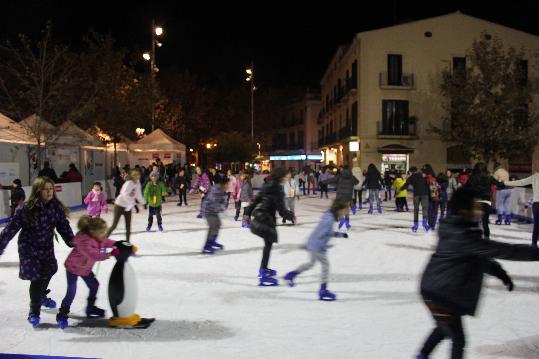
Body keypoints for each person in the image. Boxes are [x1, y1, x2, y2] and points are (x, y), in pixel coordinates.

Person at [415, 187, 539, 359]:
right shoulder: (462, 234)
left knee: (445, 328)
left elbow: (479, 258)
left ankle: (421, 356)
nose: (479, 211)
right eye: (476, 206)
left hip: (438, 290)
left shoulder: (459, 230)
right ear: (464, 210)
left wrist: (501, 274)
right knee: (458, 339)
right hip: (441, 294)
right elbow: (503, 250)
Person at [0, 177, 74, 327]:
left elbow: (63, 226)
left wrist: (73, 241)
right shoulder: (26, 209)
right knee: (37, 278)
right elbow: (10, 229)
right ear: (38, 191)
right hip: (29, 247)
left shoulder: (56, 208)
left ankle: (40, 295)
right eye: (46, 189)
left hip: (46, 246)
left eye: (51, 188)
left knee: (51, 270)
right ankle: (34, 310)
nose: (49, 191)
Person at [55, 216, 118, 329]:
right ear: (93, 231)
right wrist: (110, 254)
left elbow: (107, 241)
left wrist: (119, 244)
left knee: (94, 285)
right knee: (71, 291)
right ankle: (62, 314)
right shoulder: (84, 241)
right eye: (102, 232)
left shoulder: (98, 237)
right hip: (73, 268)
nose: (104, 234)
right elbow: (93, 254)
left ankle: (90, 308)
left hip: (85, 269)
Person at [283, 199, 349, 301]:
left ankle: (290, 275)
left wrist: (340, 234)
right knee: (325, 266)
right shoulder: (329, 220)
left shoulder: (329, 217)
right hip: (317, 246)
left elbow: (325, 232)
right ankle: (323, 291)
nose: (345, 213)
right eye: (344, 210)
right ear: (339, 209)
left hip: (314, 244)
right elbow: (320, 234)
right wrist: (320, 246)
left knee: (311, 264)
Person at [249, 168, 295, 286]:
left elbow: (257, 199)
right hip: (266, 219)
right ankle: (263, 271)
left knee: (268, 244)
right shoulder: (278, 189)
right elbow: (281, 210)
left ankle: (263, 268)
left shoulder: (268, 185)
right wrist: (291, 216)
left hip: (261, 216)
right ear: (282, 176)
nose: (289, 177)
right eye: (287, 175)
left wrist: (247, 212)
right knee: (268, 243)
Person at [463, 162, 503, 240]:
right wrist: (503, 182)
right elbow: (500, 185)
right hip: (486, 202)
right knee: (485, 223)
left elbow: (465, 188)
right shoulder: (489, 177)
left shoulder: (472, 177)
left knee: (474, 222)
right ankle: (486, 239)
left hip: (476, 201)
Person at [106, 170, 145, 242]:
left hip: (128, 207)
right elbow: (124, 194)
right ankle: (103, 242)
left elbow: (138, 194)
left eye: (138, 176)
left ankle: (127, 244)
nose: (137, 177)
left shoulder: (138, 183)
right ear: (132, 176)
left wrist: (143, 203)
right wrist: (130, 203)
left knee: (128, 226)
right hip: (119, 205)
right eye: (135, 176)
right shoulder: (128, 183)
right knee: (114, 225)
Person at [504, 171, 539, 246]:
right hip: (536, 204)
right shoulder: (535, 176)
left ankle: (534, 244)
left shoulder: (536, 176)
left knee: (536, 225)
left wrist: (505, 183)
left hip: (537, 204)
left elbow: (521, 182)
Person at [201, 175, 228, 254]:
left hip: (213, 211)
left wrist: (222, 208)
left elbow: (222, 201)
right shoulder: (216, 189)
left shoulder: (222, 190)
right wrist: (221, 209)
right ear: (223, 184)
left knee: (218, 224)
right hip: (208, 211)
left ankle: (212, 241)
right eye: (227, 184)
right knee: (212, 226)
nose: (228, 186)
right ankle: (206, 246)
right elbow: (214, 202)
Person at [401, 166, 430, 232]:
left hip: (416, 194)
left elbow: (406, 184)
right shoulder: (423, 175)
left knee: (416, 209)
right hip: (425, 194)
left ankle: (415, 225)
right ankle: (425, 222)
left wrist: (401, 189)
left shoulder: (411, 177)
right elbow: (428, 183)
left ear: (411, 172)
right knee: (425, 209)